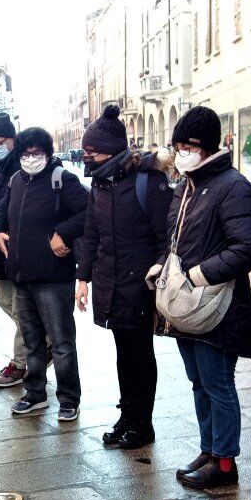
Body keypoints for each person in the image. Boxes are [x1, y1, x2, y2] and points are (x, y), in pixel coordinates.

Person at [148, 106, 251, 489]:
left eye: (190, 145)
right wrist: (163, 264)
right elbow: (176, 240)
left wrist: (199, 274)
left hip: (218, 305)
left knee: (218, 383)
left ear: (208, 146)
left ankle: (225, 462)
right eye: (178, 145)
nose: (182, 152)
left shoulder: (233, 186)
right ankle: (209, 449)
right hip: (185, 305)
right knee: (198, 382)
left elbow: (248, 248)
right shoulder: (186, 186)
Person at [76, 105, 174, 449]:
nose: (87, 157)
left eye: (92, 151)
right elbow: (92, 234)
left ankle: (142, 423)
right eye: (86, 151)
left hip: (141, 283)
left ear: (114, 150)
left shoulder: (149, 180)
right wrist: (83, 277)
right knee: (123, 352)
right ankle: (127, 415)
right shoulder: (101, 183)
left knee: (140, 353)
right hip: (110, 281)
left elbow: (167, 236)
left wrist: (159, 268)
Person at [0, 126, 89, 421]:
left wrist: (62, 232)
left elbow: (87, 213)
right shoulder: (15, 181)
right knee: (31, 341)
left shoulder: (63, 180)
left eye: (37, 152)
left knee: (61, 342)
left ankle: (69, 399)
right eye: (26, 153)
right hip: (21, 276)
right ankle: (34, 394)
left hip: (53, 278)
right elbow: (1, 211)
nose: (32, 158)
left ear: (47, 153)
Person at [0, 112, 28, 388]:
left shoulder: (23, 167)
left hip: (19, 250)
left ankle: (20, 363)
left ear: (12, 140)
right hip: (0, 250)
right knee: (5, 302)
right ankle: (41, 340)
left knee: (22, 310)